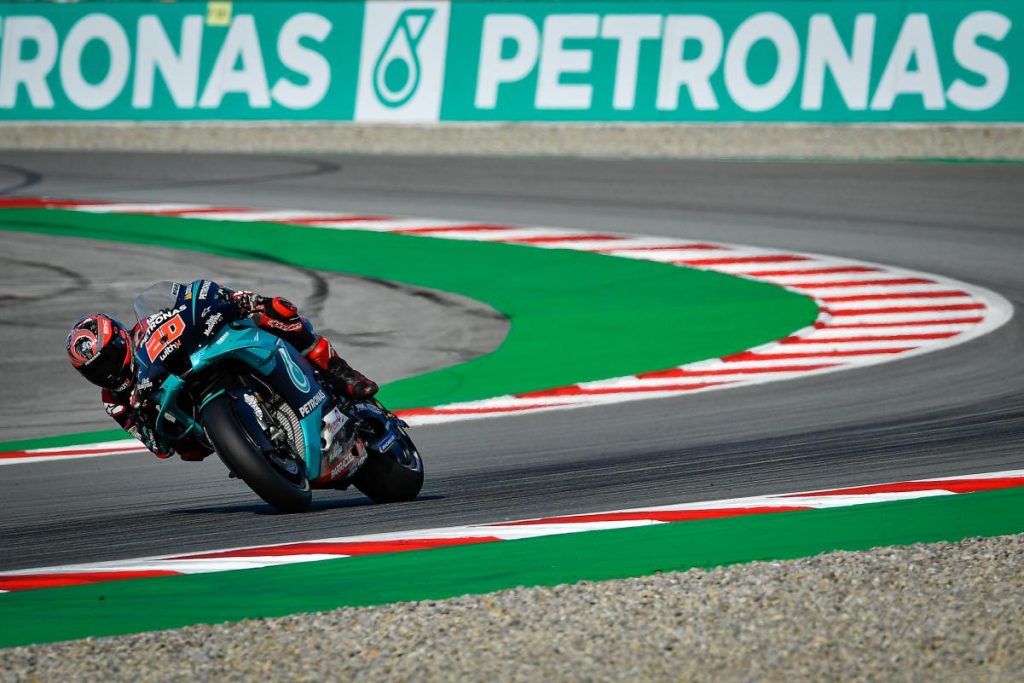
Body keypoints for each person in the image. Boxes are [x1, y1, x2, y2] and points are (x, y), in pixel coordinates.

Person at [65, 282, 378, 460]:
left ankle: (340, 371)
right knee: (189, 452)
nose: (107, 372)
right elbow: (159, 448)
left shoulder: (148, 329)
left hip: (204, 358)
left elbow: (188, 302)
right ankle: (253, 451)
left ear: (121, 339)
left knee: (272, 310)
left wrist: (223, 300)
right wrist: (144, 414)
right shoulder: (115, 401)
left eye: (108, 358)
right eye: (95, 371)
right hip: (196, 424)